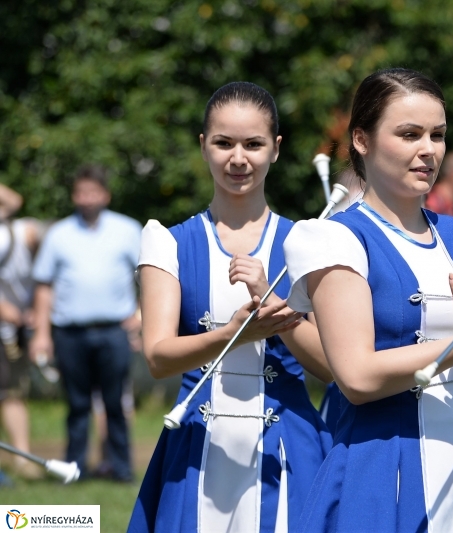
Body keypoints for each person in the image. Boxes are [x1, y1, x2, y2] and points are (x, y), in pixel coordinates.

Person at [284, 68, 453, 532]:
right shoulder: (334, 239)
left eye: (438, 135)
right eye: (409, 134)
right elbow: (356, 376)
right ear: (362, 139)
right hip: (380, 466)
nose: (428, 149)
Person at [128, 82, 332, 533]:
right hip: (197, 447)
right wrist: (233, 335)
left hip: (289, 449)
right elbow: (158, 357)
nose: (238, 158)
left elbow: (332, 366)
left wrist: (273, 304)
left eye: (253, 144)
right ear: (204, 146)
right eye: (224, 143)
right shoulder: (168, 242)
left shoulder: (307, 243)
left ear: (275, 149)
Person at [29, 166, 141, 482]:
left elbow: (149, 276)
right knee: (77, 405)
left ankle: (121, 469)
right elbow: (44, 286)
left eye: (93, 192)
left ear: (105, 195)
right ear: (74, 196)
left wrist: (141, 316)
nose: (87, 199)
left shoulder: (128, 229)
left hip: (114, 332)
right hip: (70, 333)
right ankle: (74, 469)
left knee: (115, 404)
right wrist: (41, 334)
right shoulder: (59, 234)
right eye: (81, 192)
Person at [0, 184, 44, 480]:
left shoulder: (21, 230)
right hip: (8, 321)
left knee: (12, 392)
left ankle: (21, 457)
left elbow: (14, 199)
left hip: (11, 330)